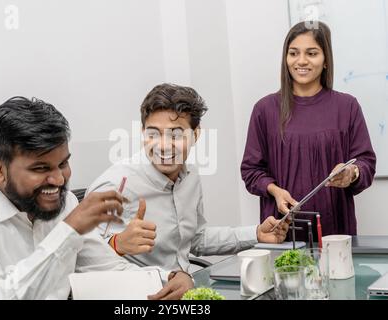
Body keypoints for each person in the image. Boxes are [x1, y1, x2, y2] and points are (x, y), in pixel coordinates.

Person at [0, 96, 193, 300]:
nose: (59, 180)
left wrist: (169, 277)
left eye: (63, 164)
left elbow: (108, 271)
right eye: (41, 168)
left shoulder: (64, 202)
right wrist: (68, 230)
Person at [89, 83, 289, 271]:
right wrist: (117, 244)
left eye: (176, 135)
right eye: (153, 134)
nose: (164, 145)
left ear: (196, 134)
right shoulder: (116, 183)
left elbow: (195, 239)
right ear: (143, 132)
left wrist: (256, 234)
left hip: (185, 290)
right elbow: (83, 257)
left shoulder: (190, 176)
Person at [240, 21, 376, 240]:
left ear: (325, 61)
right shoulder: (264, 109)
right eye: (293, 53)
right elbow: (250, 170)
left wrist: (352, 173)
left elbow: (366, 163)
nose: (301, 61)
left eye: (311, 53)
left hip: (335, 234)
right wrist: (275, 191)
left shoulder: (347, 106)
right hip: (281, 233)